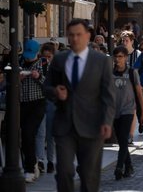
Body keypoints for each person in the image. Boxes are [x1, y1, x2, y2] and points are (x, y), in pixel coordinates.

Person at [44, 19, 115, 192]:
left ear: (88, 36)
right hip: (65, 126)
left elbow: (108, 94)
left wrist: (107, 121)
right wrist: (55, 92)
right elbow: (46, 87)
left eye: (79, 35)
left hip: (92, 126)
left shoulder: (101, 61)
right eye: (71, 35)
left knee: (89, 175)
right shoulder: (59, 60)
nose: (75, 39)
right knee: (64, 171)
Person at [111, 46, 143, 180]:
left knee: (124, 138)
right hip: (114, 111)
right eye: (116, 56)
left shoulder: (132, 72)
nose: (118, 59)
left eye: (120, 56)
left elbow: (139, 93)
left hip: (128, 110)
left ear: (125, 58)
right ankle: (129, 165)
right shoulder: (110, 73)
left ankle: (119, 167)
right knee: (121, 142)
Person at [20, 38, 47, 183]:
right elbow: (10, 80)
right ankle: (31, 164)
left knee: (29, 133)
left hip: (38, 103)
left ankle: (30, 169)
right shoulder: (19, 60)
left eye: (31, 54)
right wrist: (18, 78)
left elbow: (49, 83)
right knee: (24, 136)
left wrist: (39, 77)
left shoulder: (43, 62)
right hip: (22, 103)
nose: (29, 57)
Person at [35, 41, 56, 175]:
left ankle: (50, 161)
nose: (47, 59)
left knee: (50, 135)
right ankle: (41, 160)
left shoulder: (57, 68)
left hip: (52, 102)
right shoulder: (38, 66)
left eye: (49, 57)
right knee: (40, 133)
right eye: (45, 57)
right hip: (40, 101)